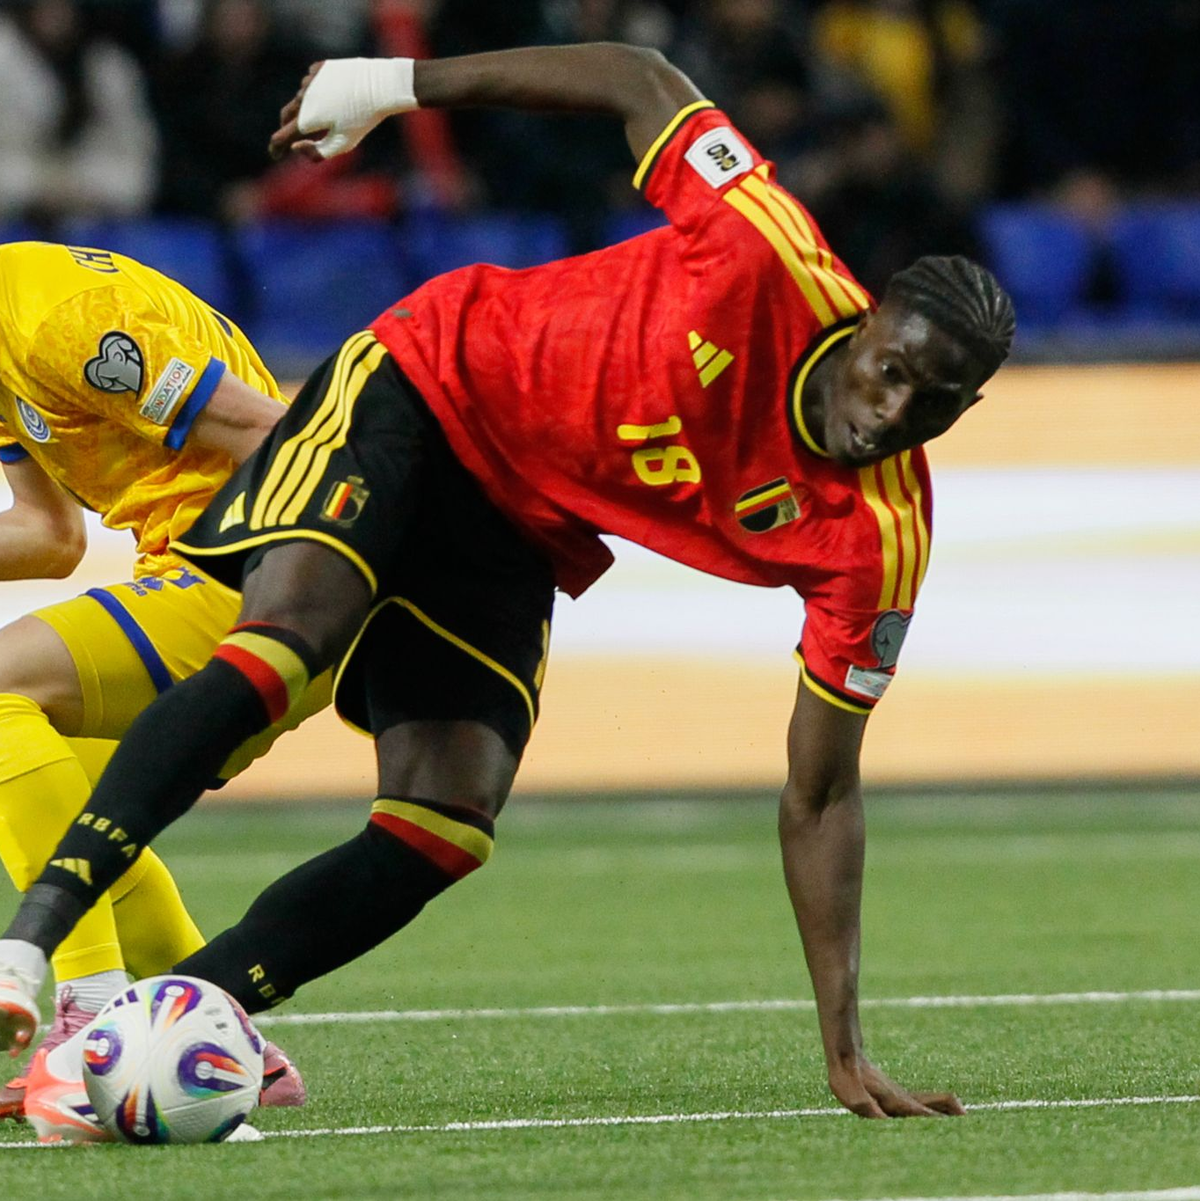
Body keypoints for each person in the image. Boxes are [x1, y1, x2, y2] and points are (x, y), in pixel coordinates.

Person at [0, 42, 1014, 1121]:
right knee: (283, 639)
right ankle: (35, 956)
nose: (893, 412)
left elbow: (823, 792)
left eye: (934, 406)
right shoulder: (764, 250)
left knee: (444, 824)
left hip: (514, 517)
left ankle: (158, 1023)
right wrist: (394, 86)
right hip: (424, 380)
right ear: (865, 323)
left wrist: (844, 1046)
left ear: (967, 410)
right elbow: (639, 78)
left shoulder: (875, 542)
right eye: (891, 372)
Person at [0, 240, 321, 1137]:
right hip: (220, 573)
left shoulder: (60, 319)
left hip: (270, 571)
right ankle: (228, 1039)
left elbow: (281, 435)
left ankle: (87, 1019)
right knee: (58, 787)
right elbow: (50, 535)